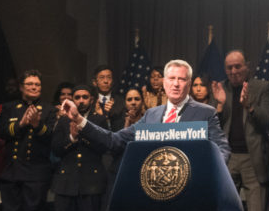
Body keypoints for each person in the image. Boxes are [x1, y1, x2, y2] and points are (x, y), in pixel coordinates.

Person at [62, 60, 230, 163]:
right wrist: (78, 119)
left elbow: (222, 149)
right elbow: (114, 140)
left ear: (189, 83)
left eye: (182, 79)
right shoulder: (151, 115)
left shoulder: (206, 113)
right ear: (164, 83)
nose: (176, 84)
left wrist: (211, 172)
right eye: (172, 79)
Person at [211, 50, 269, 211]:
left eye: (238, 66)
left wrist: (249, 107)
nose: (234, 71)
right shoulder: (221, 89)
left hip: (253, 159)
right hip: (227, 160)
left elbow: (268, 120)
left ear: (247, 66)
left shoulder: (261, 87)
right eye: (229, 68)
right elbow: (213, 128)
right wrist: (218, 107)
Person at [0, 70, 57, 211]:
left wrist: (37, 125)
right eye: (30, 84)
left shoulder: (48, 109)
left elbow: (51, 137)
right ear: (21, 87)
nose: (34, 87)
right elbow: (1, 131)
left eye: (37, 85)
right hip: (12, 173)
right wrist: (21, 124)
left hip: (36, 174)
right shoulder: (10, 107)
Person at [51, 85, 108, 211]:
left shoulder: (99, 120)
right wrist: (71, 137)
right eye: (77, 97)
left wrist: (83, 131)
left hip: (90, 182)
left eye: (85, 97)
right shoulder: (61, 121)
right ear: (72, 100)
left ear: (91, 99)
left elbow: (104, 146)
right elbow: (56, 149)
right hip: (66, 182)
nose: (81, 100)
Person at [92, 65, 125, 131]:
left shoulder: (121, 101)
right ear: (95, 82)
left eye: (109, 77)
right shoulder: (91, 101)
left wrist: (112, 114)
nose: (106, 81)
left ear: (113, 81)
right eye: (102, 77)